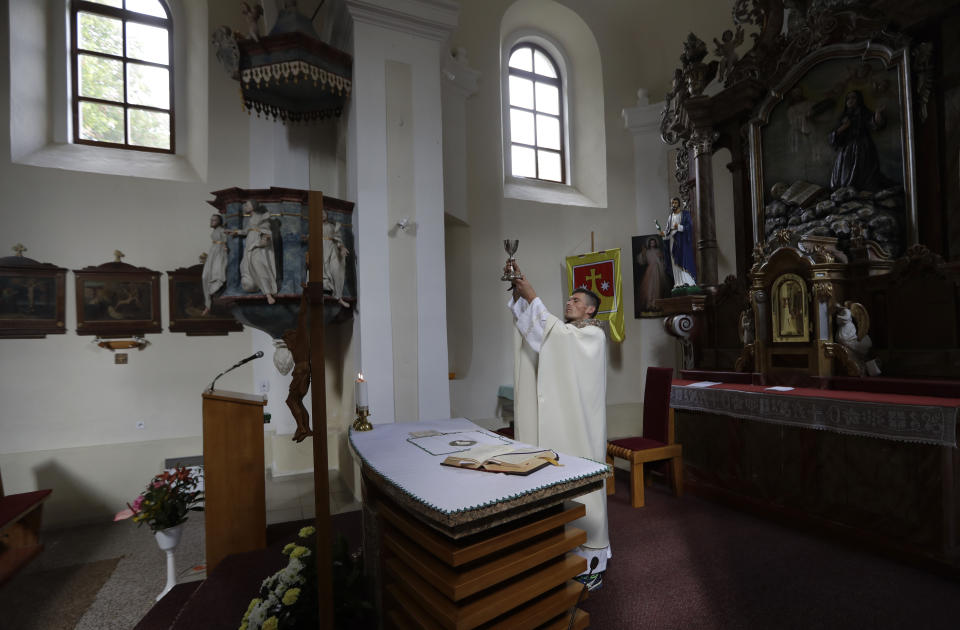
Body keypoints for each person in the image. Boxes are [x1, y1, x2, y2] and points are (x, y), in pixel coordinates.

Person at [508, 267, 610, 591]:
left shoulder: (593, 335)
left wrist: (533, 296)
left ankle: (595, 558)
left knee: (584, 489)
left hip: (582, 427)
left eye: (576, 299)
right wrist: (521, 302)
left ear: (590, 309)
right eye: (568, 298)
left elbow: (558, 337)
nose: (569, 302)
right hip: (564, 424)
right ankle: (565, 549)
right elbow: (543, 338)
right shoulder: (567, 334)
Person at [828, 90, 887, 191]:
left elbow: (874, 125)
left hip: (862, 146)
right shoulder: (844, 116)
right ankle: (844, 191)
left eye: (853, 98)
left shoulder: (864, 113)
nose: (850, 100)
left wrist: (877, 114)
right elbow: (833, 136)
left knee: (862, 172)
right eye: (848, 98)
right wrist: (844, 127)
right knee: (844, 173)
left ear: (859, 100)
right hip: (846, 149)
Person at [240, 201, 278, 304]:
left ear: (254, 206)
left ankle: (268, 294)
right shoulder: (251, 219)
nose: (245, 206)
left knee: (258, 265)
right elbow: (245, 231)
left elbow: (267, 232)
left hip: (257, 244)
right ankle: (255, 285)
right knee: (246, 266)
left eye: (247, 204)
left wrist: (264, 240)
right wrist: (234, 232)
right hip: (249, 244)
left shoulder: (262, 217)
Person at [659, 197, 697, 288]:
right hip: (673, 242)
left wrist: (679, 226)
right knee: (674, 261)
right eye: (672, 203)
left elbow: (689, 227)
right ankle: (678, 283)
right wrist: (663, 234)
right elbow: (668, 231)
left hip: (683, 242)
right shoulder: (670, 216)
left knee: (683, 260)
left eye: (675, 203)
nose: (674, 205)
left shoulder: (685, 214)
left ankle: (688, 281)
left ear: (678, 204)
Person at [201, 213, 229, 316]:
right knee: (204, 277)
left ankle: (212, 298)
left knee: (217, 273)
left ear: (220, 221)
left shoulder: (222, 230)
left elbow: (225, 240)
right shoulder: (215, 231)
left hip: (220, 253)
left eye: (214, 220)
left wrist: (225, 247)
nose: (212, 222)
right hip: (213, 252)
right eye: (211, 220)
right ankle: (207, 304)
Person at [638, 237, 669, 312]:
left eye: (653, 242)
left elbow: (663, 261)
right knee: (650, 287)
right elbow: (643, 261)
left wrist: (661, 259)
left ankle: (656, 304)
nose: (652, 244)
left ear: (655, 243)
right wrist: (643, 253)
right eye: (651, 242)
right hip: (650, 271)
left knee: (657, 287)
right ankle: (649, 304)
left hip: (657, 270)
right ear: (649, 243)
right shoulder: (647, 251)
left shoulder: (658, 251)